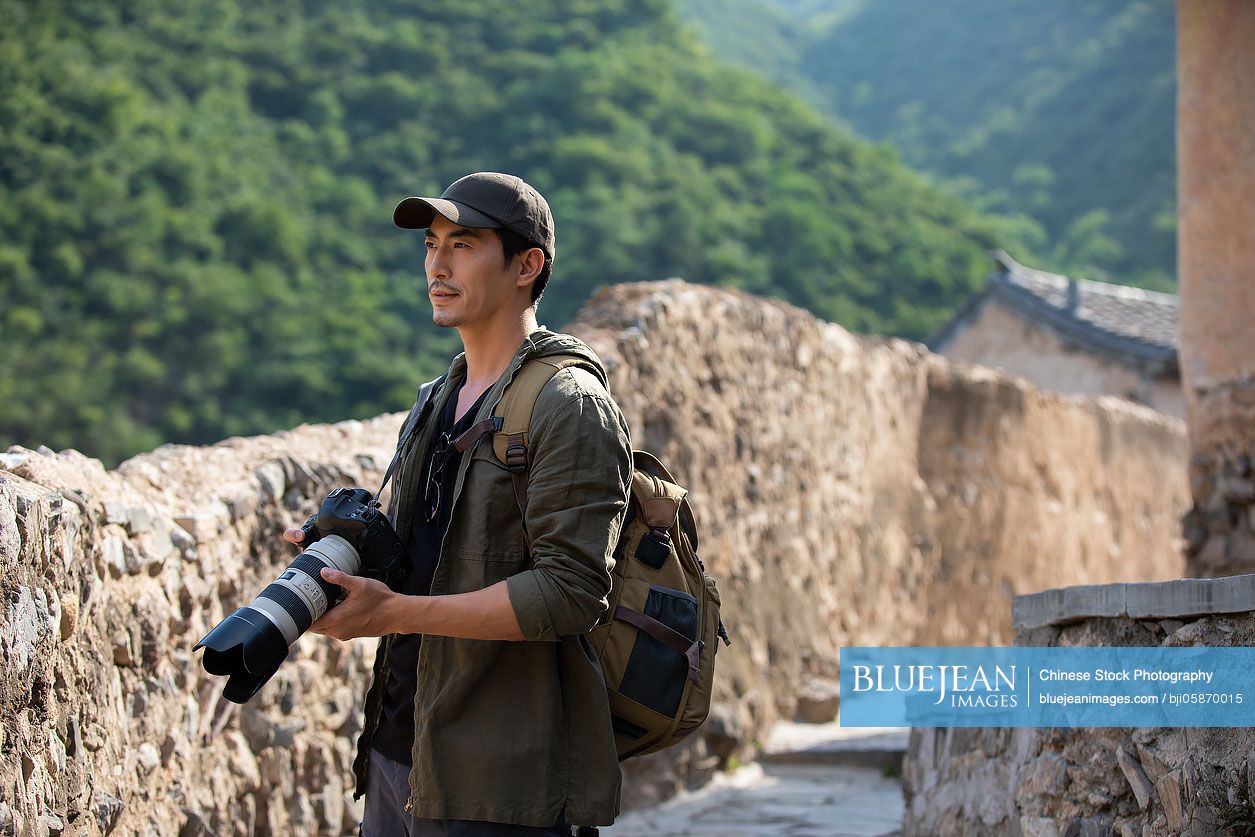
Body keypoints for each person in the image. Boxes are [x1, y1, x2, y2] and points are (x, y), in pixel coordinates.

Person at [282, 172, 632, 835]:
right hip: (399, 750)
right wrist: (342, 561)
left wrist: (396, 612)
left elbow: (572, 591)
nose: (436, 266)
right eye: (430, 244)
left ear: (527, 265)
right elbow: (431, 555)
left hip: (499, 782)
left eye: (463, 245)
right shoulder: (437, 396)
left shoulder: (568, 405)